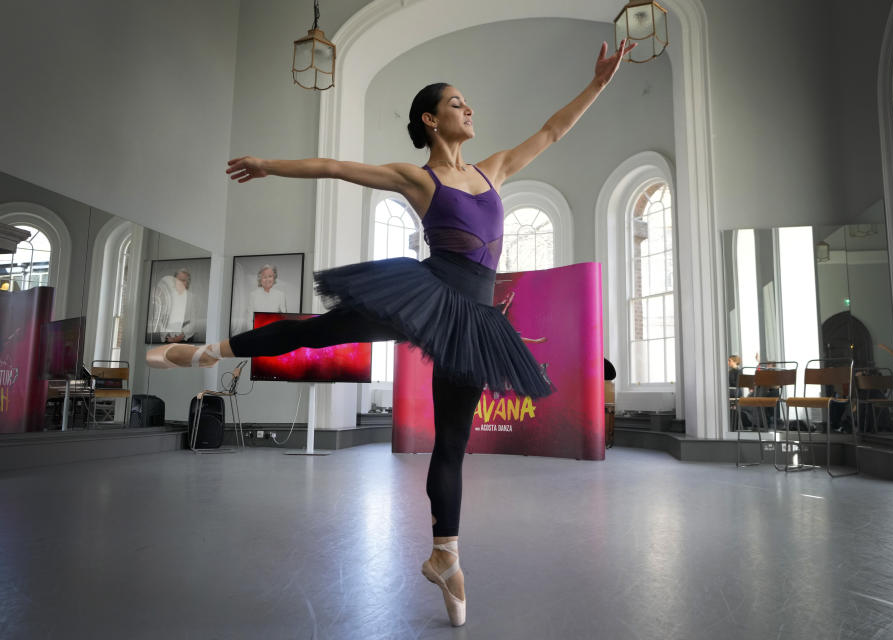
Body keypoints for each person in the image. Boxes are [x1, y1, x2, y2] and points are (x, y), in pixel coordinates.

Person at [146, 38, 636, 627]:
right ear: (432, 119)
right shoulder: (419, 177)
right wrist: (269, 164)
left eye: (468, 103)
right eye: (458, 103)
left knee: (453, 442)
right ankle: (211, 350)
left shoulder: (495, 169)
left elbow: (553, 131)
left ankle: (445, 555)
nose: (469, 109)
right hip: (426, 294)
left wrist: (599, 84)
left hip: (475, 321)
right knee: (324, 330)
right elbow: (335, 167)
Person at [146, 267, 201, 344]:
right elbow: (160, 319)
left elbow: (193, 323)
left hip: (185, 340)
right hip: (167, 339)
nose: (180, 282)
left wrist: (179, 337)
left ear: (187, 282)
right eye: (178, 280)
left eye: (183, 280)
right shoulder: (167, 297)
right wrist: (166, 336)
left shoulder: (192, 298)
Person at [238, 264, 287, 334]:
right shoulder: (253, 295)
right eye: (264, 277)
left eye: (270, 276)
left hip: (274, 332)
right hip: (256, 333)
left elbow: (283, 318)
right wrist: (253, 334)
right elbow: (249, 318)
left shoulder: (281, 295)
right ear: (260, 279)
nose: (267, 279)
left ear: (274, 278)